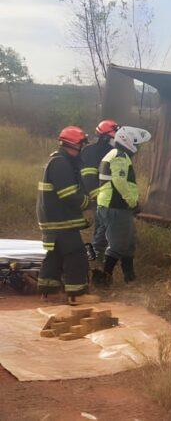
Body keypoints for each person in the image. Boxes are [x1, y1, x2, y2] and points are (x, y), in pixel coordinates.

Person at [36, 126, 98, 305]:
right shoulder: (61, 163)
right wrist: (88, 203)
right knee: (76, 253)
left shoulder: (58, 160)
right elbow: (68, 194)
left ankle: (49, 292)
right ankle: (77, 294)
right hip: (60, 220)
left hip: (54, 219)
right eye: (82, 145)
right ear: (75, 145)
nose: (82, 150)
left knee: (55, 254)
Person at [94, 126, 152, 285]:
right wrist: (132, 202)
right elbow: (119, 181)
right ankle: (104, 278)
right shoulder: (120, 156)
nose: (138, 148)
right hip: (116, 205)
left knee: (129, 241)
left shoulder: (113, 154)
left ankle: (129, 276)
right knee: (118, 244)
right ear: (128, 141)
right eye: (137, 144)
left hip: (110, 205)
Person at [80, 119, 119, 274]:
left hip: (110, 199)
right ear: (105, 136)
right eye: (115, 134)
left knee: (106, 232)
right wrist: (97, 197)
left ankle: (100, 266)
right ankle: (96, 266)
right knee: (101, 233)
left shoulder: (112, 152)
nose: (117, 137)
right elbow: (88, 178)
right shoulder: (92, 152)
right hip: (100, 198)